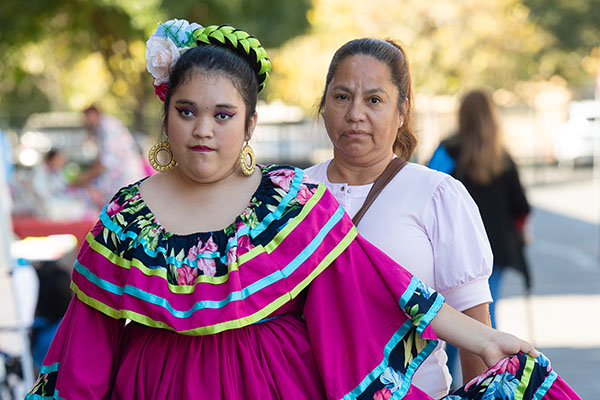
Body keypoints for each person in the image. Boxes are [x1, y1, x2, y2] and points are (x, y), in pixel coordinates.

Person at [27, 19, 578, 400]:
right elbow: (86, 349)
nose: (202, 129)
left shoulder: (287, 203)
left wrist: (480, 338)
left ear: (249, 125)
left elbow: (382, 285)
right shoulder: (124, 217)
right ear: (165, 114)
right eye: (188, 110)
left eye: (223, 114)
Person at [305, 39, 494, 397]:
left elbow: (476, 333)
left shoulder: (436, 195)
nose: (355, 113)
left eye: (374, 100)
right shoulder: (293, 193)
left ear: (402, 110)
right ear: (324, 104)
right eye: (342, 97)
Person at [427, 89, 532, 329]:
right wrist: (522, 231)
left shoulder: (447, 151)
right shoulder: (502, 157)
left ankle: (453, 368)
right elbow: (521, 206)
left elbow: (428, 188)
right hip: (495, 247)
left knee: (454, 320)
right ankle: (489, 367)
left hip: (455, 245)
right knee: (486, 316)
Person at [74, 104, 146, 208]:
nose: (85, 121)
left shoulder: (107, 126)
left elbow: (106, 162)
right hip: (119, 179)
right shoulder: (100, 129)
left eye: (86, 117)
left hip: (125, 178)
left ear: (95, 114)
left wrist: (84, 178)